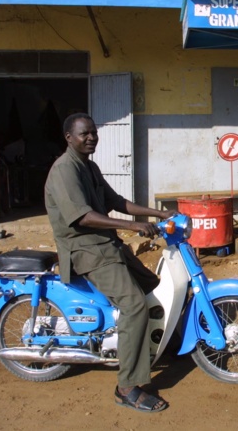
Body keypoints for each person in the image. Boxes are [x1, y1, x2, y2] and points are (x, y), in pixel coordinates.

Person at [44, 112, 173, 413]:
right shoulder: (64, 170)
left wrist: (159, 215)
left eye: (93, 132)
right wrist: (132, 227)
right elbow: (83, 216)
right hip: (87, 251)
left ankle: (155, 345)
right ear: (69, 138)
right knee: (135, 305)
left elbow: (116, 201)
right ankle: (126, 386)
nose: (91, 138)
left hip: (107, 246)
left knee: (154, 287)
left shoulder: (89, 167)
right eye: (83, 134)